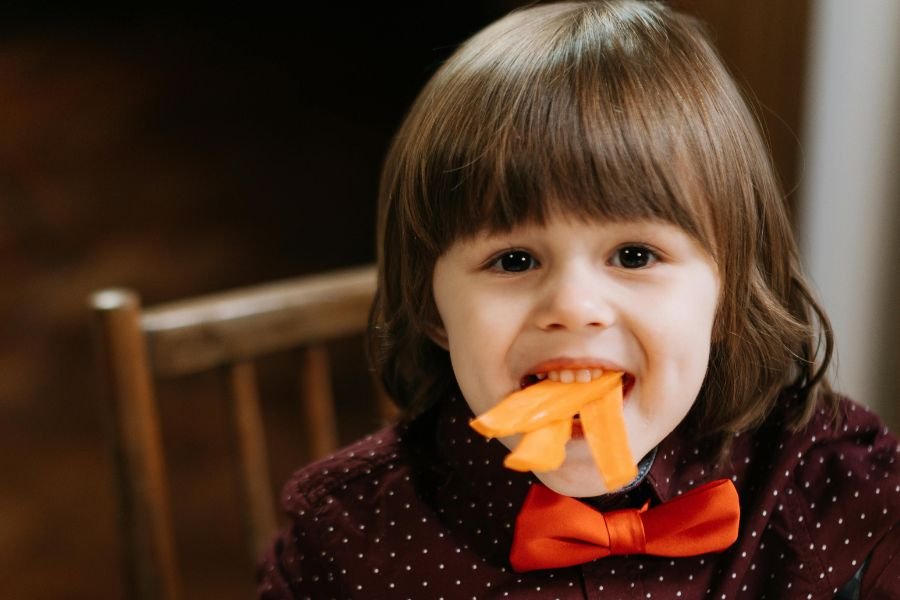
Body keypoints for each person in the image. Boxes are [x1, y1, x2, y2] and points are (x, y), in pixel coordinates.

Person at [257, 1, 899, 597]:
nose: (572, 306)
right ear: (432, 309)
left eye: (634, 255)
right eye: (514, 260)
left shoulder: (830, 482)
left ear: (726, 293)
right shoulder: (344, 538)